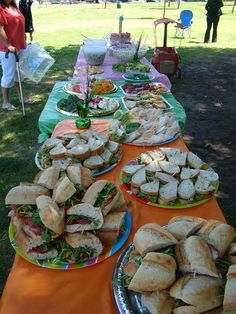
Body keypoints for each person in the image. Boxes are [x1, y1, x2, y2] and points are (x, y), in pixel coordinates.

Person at [0, 0, 29, 110]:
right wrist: (8, 45)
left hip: (20, 46)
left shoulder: (14, 5)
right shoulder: (1, 8)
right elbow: (0, 28)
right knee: (9, 75)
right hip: (8, 49)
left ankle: (22, 97)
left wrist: (24, 37)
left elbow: (19, 22)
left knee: (20, 74)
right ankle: (5, 103)